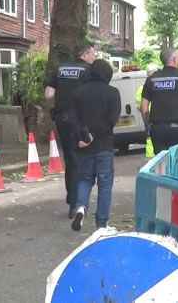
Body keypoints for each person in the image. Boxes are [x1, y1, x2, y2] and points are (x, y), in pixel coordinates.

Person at [44, 39, 95, 219]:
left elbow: (49, 94)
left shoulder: (60, 69)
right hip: (79, 120)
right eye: (92, 54)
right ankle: (77, 202)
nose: (93, 57)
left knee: (69, 158)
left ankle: (72, 198)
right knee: (82, 159)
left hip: (61, 119)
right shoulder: (89, 71)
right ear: (85, 54)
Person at [70, 60, 121, 231]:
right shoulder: (112, 93)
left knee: (85, 179)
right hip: (103, 146)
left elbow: (73, 119)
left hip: (83, 146)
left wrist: (81, 137)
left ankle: (80, 208)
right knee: (105, 184)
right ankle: (102, 224)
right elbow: (111, 120)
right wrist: (94, 134)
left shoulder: (78, 93)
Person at [140, 47, 178, 155]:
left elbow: (144, 108)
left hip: (157, 130)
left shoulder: (151, 79)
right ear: (175, 59)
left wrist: (147, 126)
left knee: (162, 164)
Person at [135, 63, 159, 158]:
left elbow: (139, 105)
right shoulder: (157, 84)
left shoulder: (142, 87)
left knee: (150, 139)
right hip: (156, 116)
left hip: (149, 118)